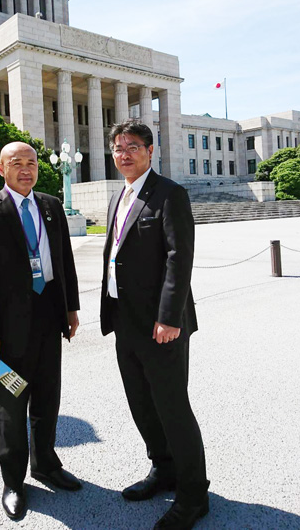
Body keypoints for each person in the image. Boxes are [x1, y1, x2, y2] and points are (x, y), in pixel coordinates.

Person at [100, 120, 209, 530]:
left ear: (150, 151)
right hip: (124, 319)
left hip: (160, 325)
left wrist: (167, 317)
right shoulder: (118, 198)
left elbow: (179, 260)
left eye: (132, 146)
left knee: (172, 407)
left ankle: (194, 496)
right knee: (141, 404)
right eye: (117, 147)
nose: (123, 153)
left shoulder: (169, 194)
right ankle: (162, 469)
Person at [0, 141, 81, 520]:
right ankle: (14, 482)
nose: (26, 169)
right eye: (17, 163)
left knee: (48, 400)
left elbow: (64, 259)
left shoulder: (51, 206)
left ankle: (45, 464)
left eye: (31, 163)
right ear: (2, 168)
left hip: (49, 318)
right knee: (12, 407)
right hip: (8, 333)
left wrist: (71, 308)